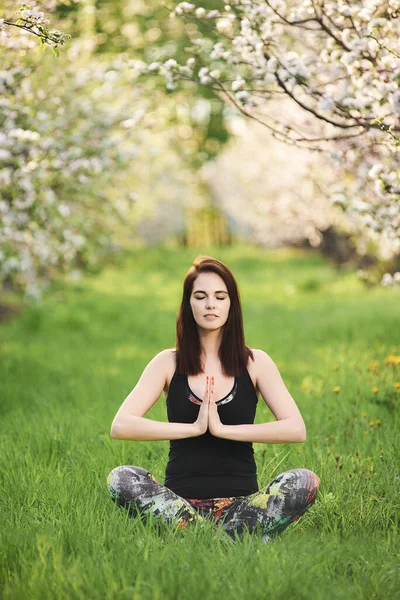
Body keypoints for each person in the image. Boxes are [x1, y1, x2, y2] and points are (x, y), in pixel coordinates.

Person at [107, 255, 320, 543]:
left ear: (231, 304)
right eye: (201, 296)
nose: (211, 304)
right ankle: (223, 538)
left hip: (242, 506)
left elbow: (296, 429)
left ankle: (212, 537)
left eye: (220, 296)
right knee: (120, 478)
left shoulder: (256, 363)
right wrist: (194, 429)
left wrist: (222, 430)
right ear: (188, 303)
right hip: (180, 506)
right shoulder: (167, 363)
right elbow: (120, 425)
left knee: (305, 480)